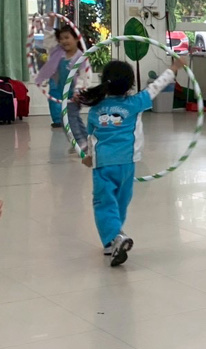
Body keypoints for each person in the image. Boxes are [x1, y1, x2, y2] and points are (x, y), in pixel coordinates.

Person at [77, 57, 183, 266]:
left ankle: (114, 237)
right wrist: (174, 67)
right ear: (130, 84)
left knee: (104, 203)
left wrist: (87, 156)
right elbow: (156, 86)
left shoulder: (96, 109)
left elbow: (91, 136)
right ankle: (113, 241)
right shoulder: (135, 103)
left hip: (103, 165)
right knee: (120, 201)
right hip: (127, 165)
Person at [35, 24, 83, 128]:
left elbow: (83, 74)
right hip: (56, 79)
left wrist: (79, 89)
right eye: (61, 39)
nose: (64, 41)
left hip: (71, 81)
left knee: (71, 98)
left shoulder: (79, 55)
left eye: (67, 38)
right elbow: (48, 40)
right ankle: (58, 120)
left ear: (76, 39)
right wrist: (50, 23)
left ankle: (70, 118)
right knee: (54, 97)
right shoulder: (56, 50)